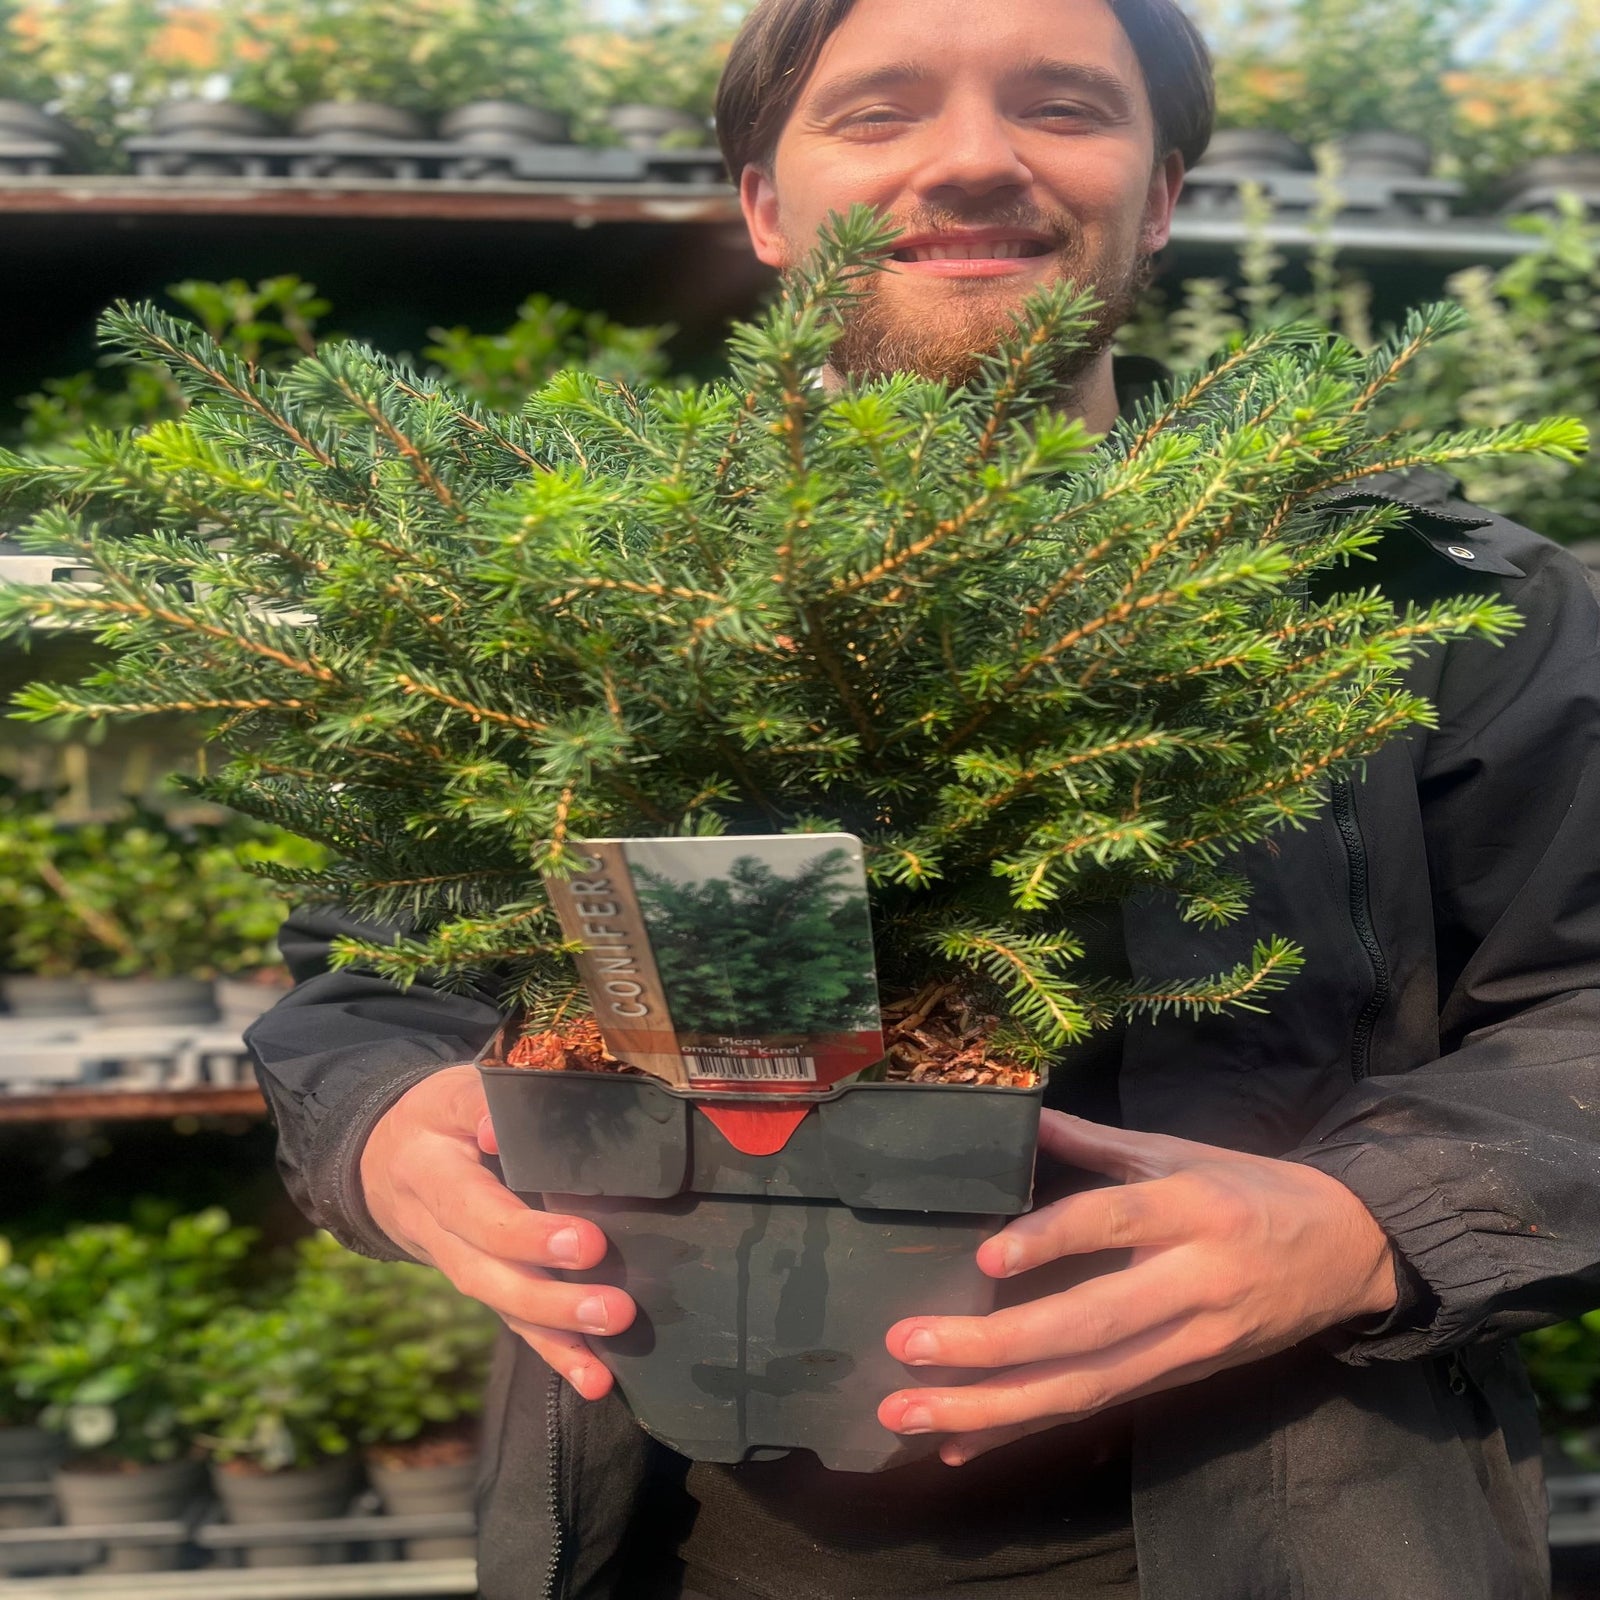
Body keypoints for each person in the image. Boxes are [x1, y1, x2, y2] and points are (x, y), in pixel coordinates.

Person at [244, 2, 1600, 1596]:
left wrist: (1366, 1222)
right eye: (878, 113)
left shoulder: (1427, 608)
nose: (970, 160)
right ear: (766, 205)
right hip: (686, 1540)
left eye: (1062, 107)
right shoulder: (590, 618)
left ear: (1160, 191)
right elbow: (376, 976)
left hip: (1316, 1539)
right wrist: (384, 1124)